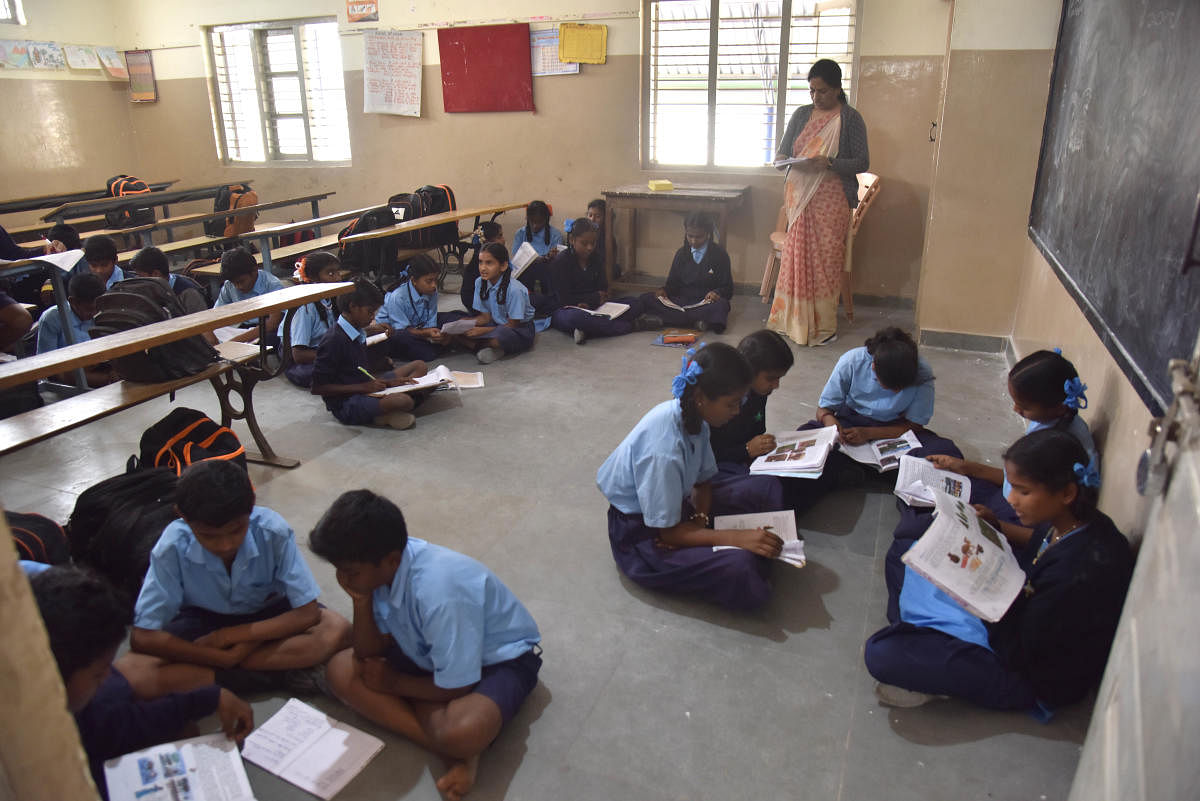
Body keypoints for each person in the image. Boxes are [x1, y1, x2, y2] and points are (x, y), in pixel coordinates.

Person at [864, 429, 1133, 713]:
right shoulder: (1077, 520)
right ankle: (924, 642)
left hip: (1029, 676)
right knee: (908, 555)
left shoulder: (1075, 574)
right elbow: (1040, 541)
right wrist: (997, 526)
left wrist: (975, 589)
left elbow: (1021, 652)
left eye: (1023, 491)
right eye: (1012, 487)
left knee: (881, 653)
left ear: (1067, 492)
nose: (1012, 499)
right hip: (1018, 614)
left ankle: (925, 648)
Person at [309, 490, 542, 801]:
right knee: (340, 670)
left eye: (351, 572)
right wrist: (362, 602)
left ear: (391, 560)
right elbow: (367, 653)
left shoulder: (439, 593)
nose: (343, 579)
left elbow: (458, 685)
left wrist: (394, 683)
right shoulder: (379, 572)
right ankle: (457, 754)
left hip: (499, 661)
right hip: (424, 654)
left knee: (462, 731)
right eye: (338, 569)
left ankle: (458, 746)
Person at [126, 461, 350, 694]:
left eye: (236, 530)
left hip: (267, 618)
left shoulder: (272, 531)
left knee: (337, 629)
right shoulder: (172, 545)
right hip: (204, 622)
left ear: (251, 507)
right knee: (131, 670)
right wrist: (219, 656)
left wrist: (230, 639)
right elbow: (142, 637)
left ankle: (215, 676)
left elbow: (307, 612)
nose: (225, 545)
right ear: (182, 515)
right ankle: (272, 674)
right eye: (209, 536)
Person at [31, 565, 254, 799]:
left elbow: (121, 723)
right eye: (97, 674)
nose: (104, 676)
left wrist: (210, 698)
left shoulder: (80, 707)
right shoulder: (35, 762)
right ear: (55, 676)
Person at [596, 342, 787, 611]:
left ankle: (748, 547)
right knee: (739, 567)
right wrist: (734, 538)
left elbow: (703, 480)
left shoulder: (697, 419)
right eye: (731, 404)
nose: (737, 411)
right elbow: (669, 533)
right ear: (700, 397)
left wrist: (699, 519)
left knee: (766, 486)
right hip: (641, 532)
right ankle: (749, 552)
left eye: (740, 402)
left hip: (682, 508)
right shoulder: (663, 451)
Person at [767, 58, 869, 347]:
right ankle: (792, 321)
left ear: (837, 89)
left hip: (832, 199)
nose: (816, 97)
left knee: (824, 261)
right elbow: (782, 153)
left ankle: (823, 326)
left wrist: (830, 163)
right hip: (799, 199)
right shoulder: (801, 115)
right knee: (797, 258)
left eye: (822, 91)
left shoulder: (850, 118)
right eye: (812, 91)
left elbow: (862, 161)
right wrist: (783, 162)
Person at [311, 279, 428, 430]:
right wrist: (363, 387)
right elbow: (318, 388)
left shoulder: (358, 330)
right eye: (370, 311)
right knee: (403, 401)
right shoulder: (333, 340)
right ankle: (391, 409)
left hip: (368, 385)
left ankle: (385, 411)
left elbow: (360, 371)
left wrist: (386, 383)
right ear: (353, 307)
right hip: (347, 402)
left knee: (420, 366)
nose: (373, 317)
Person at [709, 330, 794, 475]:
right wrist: (746, 449)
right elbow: (705, 456)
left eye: (779, 378)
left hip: (743, 458)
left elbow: (757, 429)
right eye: (771, 378)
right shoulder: (719, 398)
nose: (776, 385)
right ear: (749, 370)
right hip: (715, 466)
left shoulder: (759, 391)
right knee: (765, 486)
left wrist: (762, 443)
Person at [547, 217, 642, 345]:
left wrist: (600, 298)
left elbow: (602, 288)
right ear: (572, 240)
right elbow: (564, 298)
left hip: (596, 307)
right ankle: (630, 326)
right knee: (574, 318)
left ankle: (586, 330)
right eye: (584, 243)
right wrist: (591, 299)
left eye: (593, 243)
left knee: (635, 303)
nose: (590, 248)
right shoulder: (561, 262)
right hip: (569, 309)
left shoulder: (596, 258)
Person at [638, 211, 733, 333]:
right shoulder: (681, 254)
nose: (693, 241)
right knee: (646, 299)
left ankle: (668, 320)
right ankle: (699, 322)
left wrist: (716, 292)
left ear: (708, 234)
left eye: (699, 237)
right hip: (681, 301)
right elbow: (673, 284)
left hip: (704, 303)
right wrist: (664, 291)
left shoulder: (720, 255)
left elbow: (728, 288)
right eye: (690, 236)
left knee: (722, 305)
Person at [452, 242, 536, 365]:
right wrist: (465, 324)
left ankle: (478, 346)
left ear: (503, 266)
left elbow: (513, 325)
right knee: (458, 322)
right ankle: (490, 348)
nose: (483, 268)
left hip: (518, 329)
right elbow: (485, 317)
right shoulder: (479, 282)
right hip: (495, 323)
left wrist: (483, 331)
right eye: (480, 262)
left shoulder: (514, 290)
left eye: (489, 263)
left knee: (501, 336)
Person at [376, 254, 468, 361]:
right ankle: (448, 343)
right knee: (408, 342)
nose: (434, 285)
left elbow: (431, 322)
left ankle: (443, 343)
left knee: (457, 316)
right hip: (396, 332)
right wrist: (427, 333)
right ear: (414, 280)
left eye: (436, 280)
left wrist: (435, 333)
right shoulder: (397, 297)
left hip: (419, 327)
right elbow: (401, 329)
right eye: (429, 281)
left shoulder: (432, 291)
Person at [35, 273, 115, 386]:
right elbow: (47, 366)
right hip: (65, 375)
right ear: (72, 301)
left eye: (97, 308)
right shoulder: (52, 318)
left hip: (97, 367)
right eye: (89, 309)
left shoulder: (102, 313)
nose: (93, 314)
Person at [281, 252, 341, 388]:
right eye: (331, 274)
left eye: (338, 272)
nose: (338, 278)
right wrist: (334, 355)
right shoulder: (304, 307)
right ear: (314, 278)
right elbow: (299, 355)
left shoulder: (333, 296)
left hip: (322, 347)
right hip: (298, 353)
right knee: (317, 372)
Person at [211, 247, 284, 345]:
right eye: (234, 283)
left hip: (267, 329)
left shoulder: (272, 285)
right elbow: (217, 314)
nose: (238, 287)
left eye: (241, 282)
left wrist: (235, 341)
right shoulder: (229, 284)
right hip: (242, 328)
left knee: (271, 339)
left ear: (254, 271)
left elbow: (273, 323)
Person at [128, 246, 208, 314]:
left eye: (140, 276)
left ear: (156, 274)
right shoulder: (148, 291)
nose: (137, 279)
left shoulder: (187, 293)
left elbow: (203, 326)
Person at [459, 221, 503, 314]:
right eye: (499, 236)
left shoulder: (480, 258)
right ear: (488, 242)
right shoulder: (485, 264)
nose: (503, 240)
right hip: (480, 305)